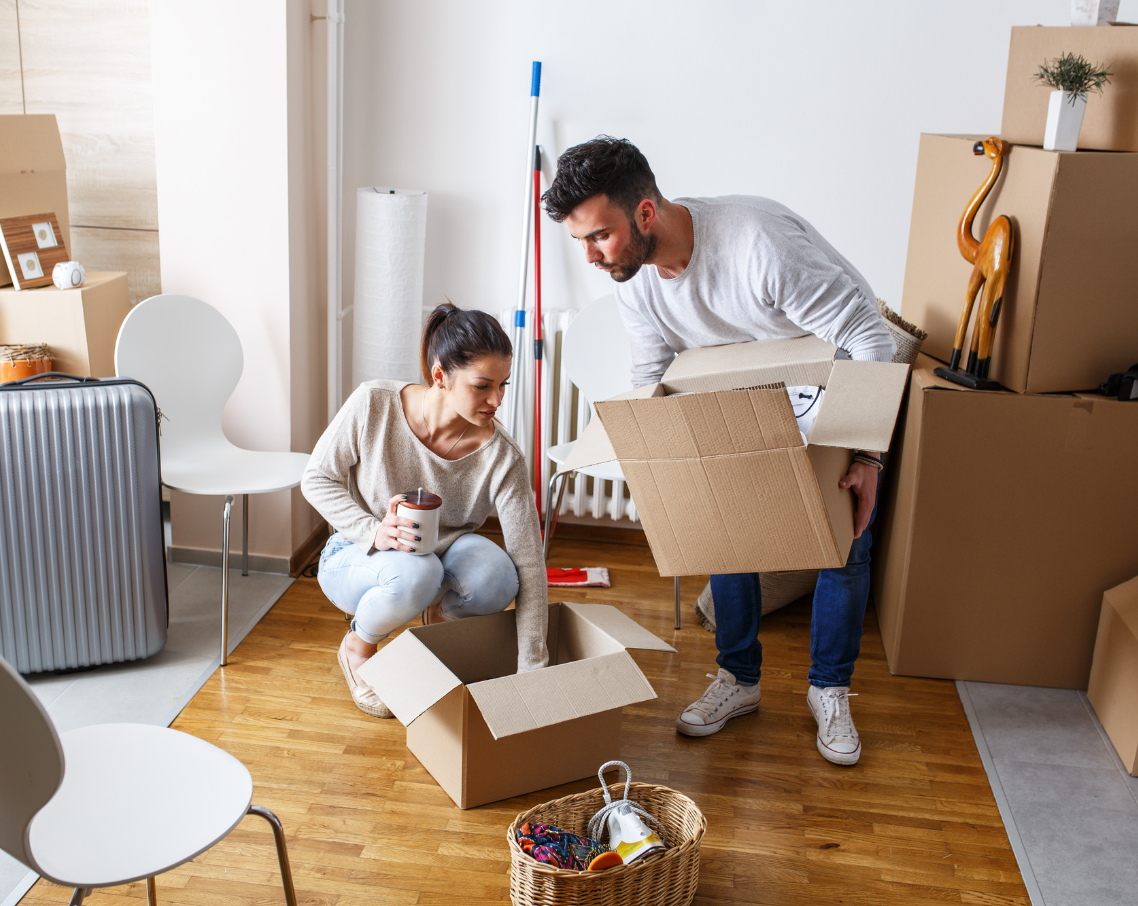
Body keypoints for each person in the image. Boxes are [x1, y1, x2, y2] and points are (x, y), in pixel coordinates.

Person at [542, 136, 895, 766]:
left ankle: (830, 690)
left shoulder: (760, 247)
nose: (591, 256)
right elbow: (655, 378)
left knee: (845, 543)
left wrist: (868, 457)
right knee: (728, 531)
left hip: (834, 382)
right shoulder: (636, 280)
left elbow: (871, 340)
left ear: (645, 213)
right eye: (580, 242)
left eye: (599, 236)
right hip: (745, 394)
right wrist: (668, 473)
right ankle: (740, 681)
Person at [301, 303, 548, 718]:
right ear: (440, 376)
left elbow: (529, 564)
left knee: (498, 575)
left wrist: (532, 669)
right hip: (356, 555)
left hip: (442, 555)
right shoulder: (373, 403)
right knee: (419, 571)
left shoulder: (502, 457)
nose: (497, 400)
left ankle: (435, 638)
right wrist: (372, 529)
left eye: (503, 385)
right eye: (483, 386)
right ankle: (357, 647)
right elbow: (316, 478)